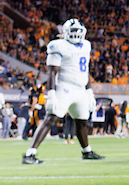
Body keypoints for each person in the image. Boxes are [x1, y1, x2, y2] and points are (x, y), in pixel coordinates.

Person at [21, 19, 104, 164]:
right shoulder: (58, 46)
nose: (75, 35)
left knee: (82, 122)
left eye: (77, 31)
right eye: (72, 31)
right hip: (65, 87)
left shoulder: (86, 45)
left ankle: (87, 151)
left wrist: (89, 91)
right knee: (51, 119)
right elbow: (52, 72)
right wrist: (51, 93)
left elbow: (86, 72)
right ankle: (29, 154)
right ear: (65, 33)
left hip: (80, 89)